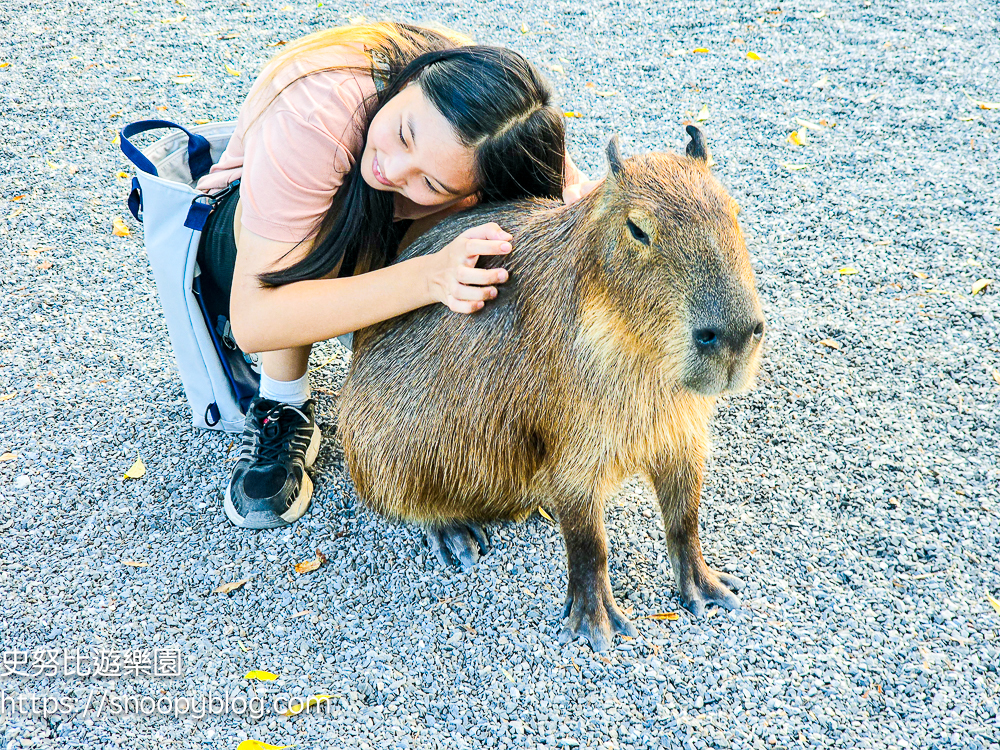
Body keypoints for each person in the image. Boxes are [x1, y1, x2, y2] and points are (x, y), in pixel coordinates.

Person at [194, 21, 599, 534]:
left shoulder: (507, 119)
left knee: (512, 238)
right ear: (414, 81)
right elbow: (255, 318)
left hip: (385, 225)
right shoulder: (318, 117)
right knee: (347, 234)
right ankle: (283, 402)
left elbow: (565, 197)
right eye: (405, 133)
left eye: (430, 179)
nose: (392, 167)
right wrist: (428, 276)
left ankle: (443, 429)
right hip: (249, 242)